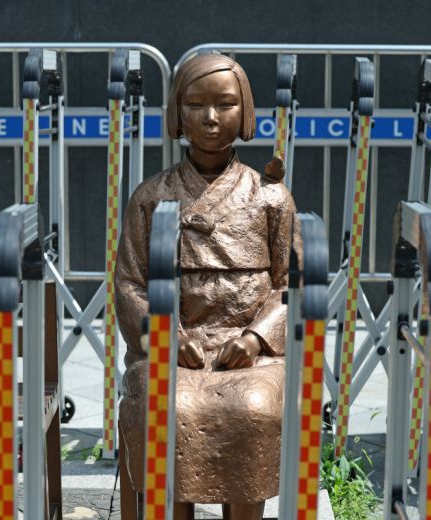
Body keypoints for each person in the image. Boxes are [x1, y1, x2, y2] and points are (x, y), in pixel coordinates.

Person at [115, 53, 296, 520]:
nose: (211, 118)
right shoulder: (151, 197)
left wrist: (255, 338)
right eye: (195, 105)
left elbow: (289, 286)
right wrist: (167, 337)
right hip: (174, 349)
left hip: (251, 354)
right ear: (177, 112)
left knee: (254, 407)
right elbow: (130, 283)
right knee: (167, 406)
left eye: (225, 104)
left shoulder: (271, 196)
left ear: (246, 111)